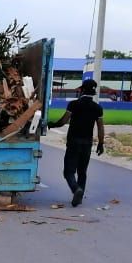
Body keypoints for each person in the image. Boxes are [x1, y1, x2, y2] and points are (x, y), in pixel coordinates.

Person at [48, 78, 105, 207]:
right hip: (87, 143)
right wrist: (101, 143)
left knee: (68, 171)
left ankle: (76, 189)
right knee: (82, 172)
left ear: (82, 90)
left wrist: (51, 124)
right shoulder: (97, 108)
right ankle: (79, 197)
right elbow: (100, 127)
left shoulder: (73, 105)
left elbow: (63, 121)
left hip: (74, 142)